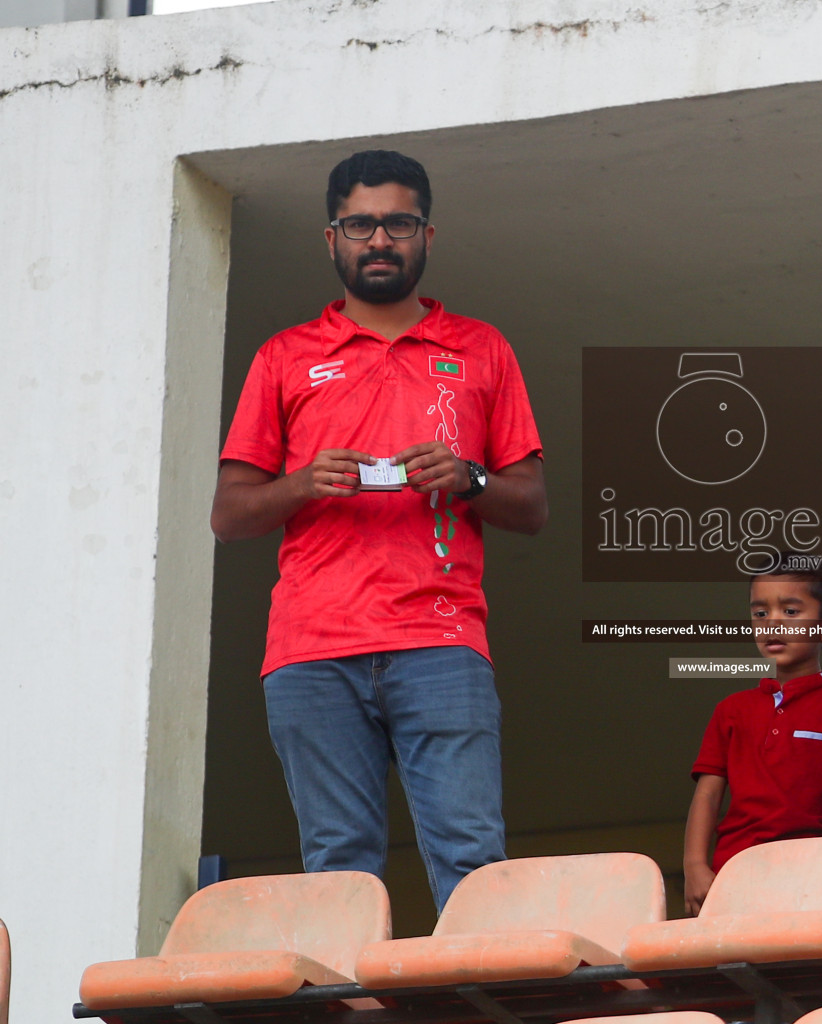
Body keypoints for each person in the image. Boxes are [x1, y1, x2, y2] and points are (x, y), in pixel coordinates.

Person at [211, 150, 547, 912]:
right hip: (312, 649)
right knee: (338, 869)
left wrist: (469, 477)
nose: (380, 240)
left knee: (472, 858)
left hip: (441, 640)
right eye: (360, 224)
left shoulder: (481, 347)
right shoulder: (284, 356)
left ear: (427, 234)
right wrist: (302, 483)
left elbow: (532, 504)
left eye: (398, 222)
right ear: (331, 239)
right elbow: (228, 516)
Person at [683, 556, 822, 916]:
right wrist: (695, 865)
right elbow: (708, 794)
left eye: (790, 611)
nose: (772, 622)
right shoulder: (731, 709)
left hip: (818, 870)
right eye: (760, 613)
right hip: (735, 870)